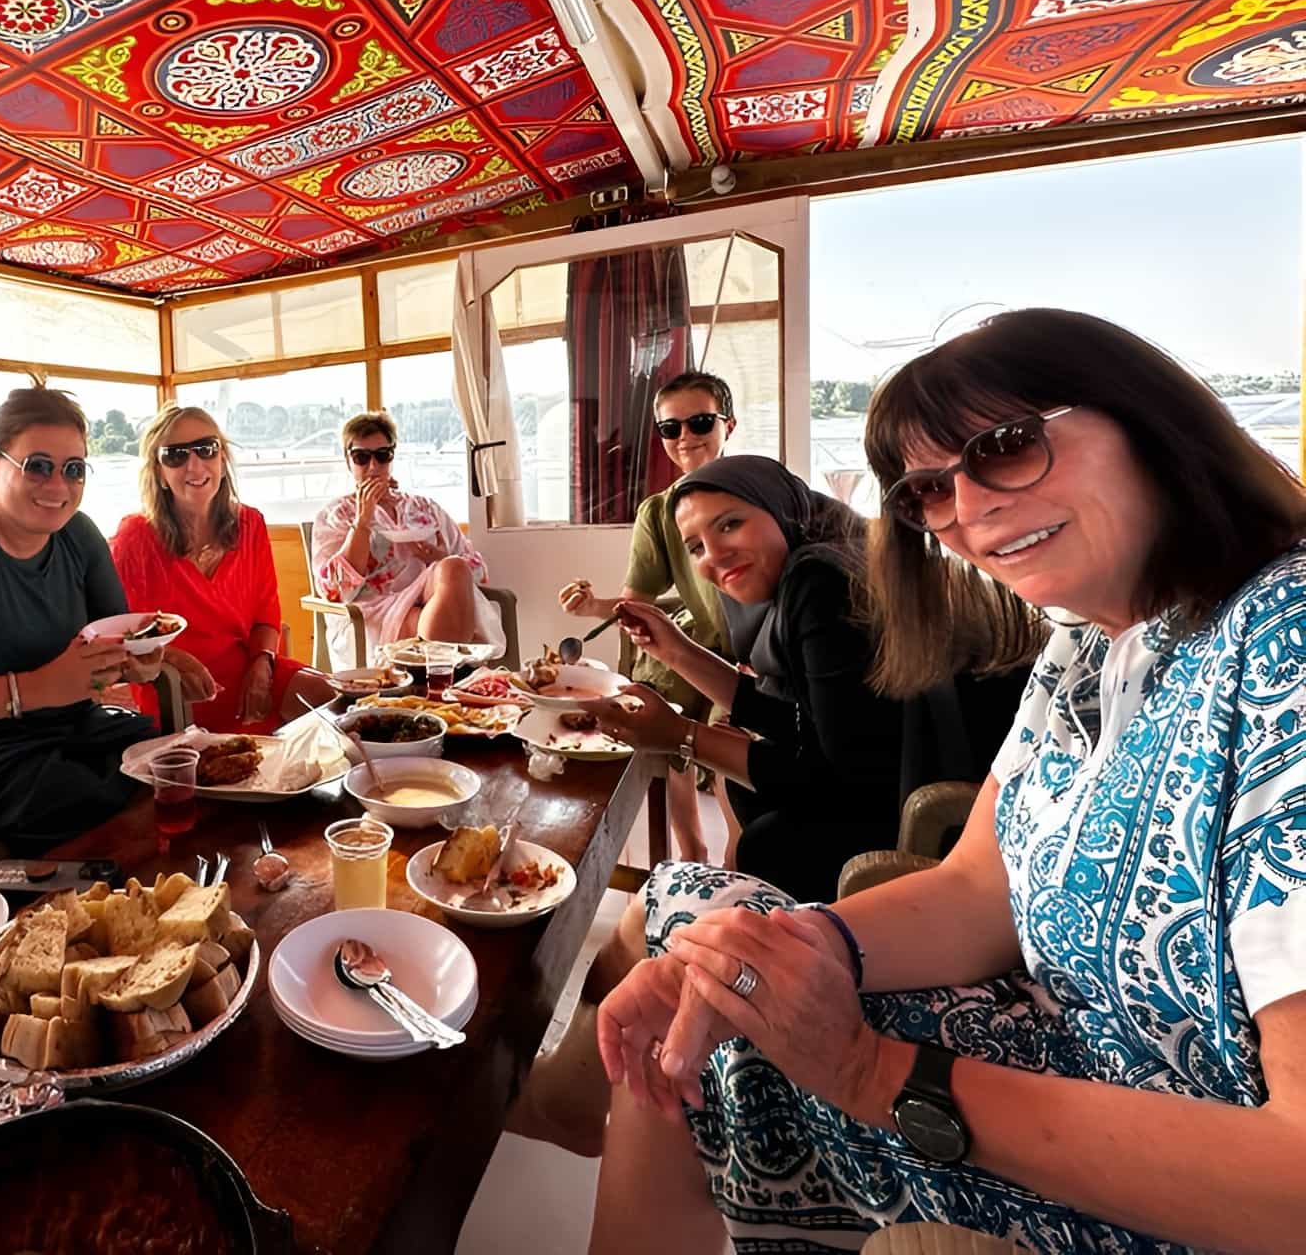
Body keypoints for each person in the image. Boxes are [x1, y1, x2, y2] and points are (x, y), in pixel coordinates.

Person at [590, 308, 1306, 1254]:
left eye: (1005, 448)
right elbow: (976, 888)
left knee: (704, 937)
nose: (968, 509)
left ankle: (540, 1095)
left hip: (1175, 1163)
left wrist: (868, 1071)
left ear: (1149, 418)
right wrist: (799, 949)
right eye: (929, 490)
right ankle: (558, 1093)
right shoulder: (1086, 647)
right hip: (1059, 1042)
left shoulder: (1284, 641)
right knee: (711, 972)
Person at [0, 387, 214, 854]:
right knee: (85, 794)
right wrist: (34, 689)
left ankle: (162, 885)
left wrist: (140, 662)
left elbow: (116, 640)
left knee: (179, 763)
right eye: (38, 466)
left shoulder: (77, 534)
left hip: (65, 733)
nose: (58, 487)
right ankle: (77, 894)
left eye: (73, 469)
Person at [587, 455, 913, 904]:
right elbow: (803, 722)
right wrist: (675, 650)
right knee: (746, 795)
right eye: (696, 547)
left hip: (907, 820)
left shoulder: (822, 583)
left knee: (764, 844)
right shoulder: (811, 570)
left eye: (730, 524)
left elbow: (831, 779)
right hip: (879, 789)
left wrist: (681, 735)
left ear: (781, 508)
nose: (714, 555)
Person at [560, 369, 741, 864]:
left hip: (754, 654)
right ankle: (692, 851)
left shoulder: (758, 496)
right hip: (697, 644)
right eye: (670, 428)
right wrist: (593, 606)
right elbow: (636, 604)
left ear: (728, 425)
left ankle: (736, 863)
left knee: (731, 758)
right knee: (659, 707)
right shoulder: (658, 512)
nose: (685, 437)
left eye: (700, 423)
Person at [110, 406, 335, 733]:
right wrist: (175, 660)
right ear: (159, 472)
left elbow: (266, 617)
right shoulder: (135, 538)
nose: (194, 465)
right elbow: (122, 636)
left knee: (341, 702)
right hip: (174, 687)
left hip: (249, 673)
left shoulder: (250, 524)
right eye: (175, 455)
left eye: (206, 449)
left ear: (222, 458)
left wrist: (263, 663)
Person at [309, 410, 504, 669]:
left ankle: (442, 675)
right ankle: (451, 679)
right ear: (348, 461)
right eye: (361, 457)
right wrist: (363, 520)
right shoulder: (336, 515)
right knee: (426, 622)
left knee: (454, 567)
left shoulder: (424, 508)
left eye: (382, 455)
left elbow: (477, 572)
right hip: (370, 611)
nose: (373, 467)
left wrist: (439, 557)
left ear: (392, 457)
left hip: (432, 601)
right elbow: (336, 591)